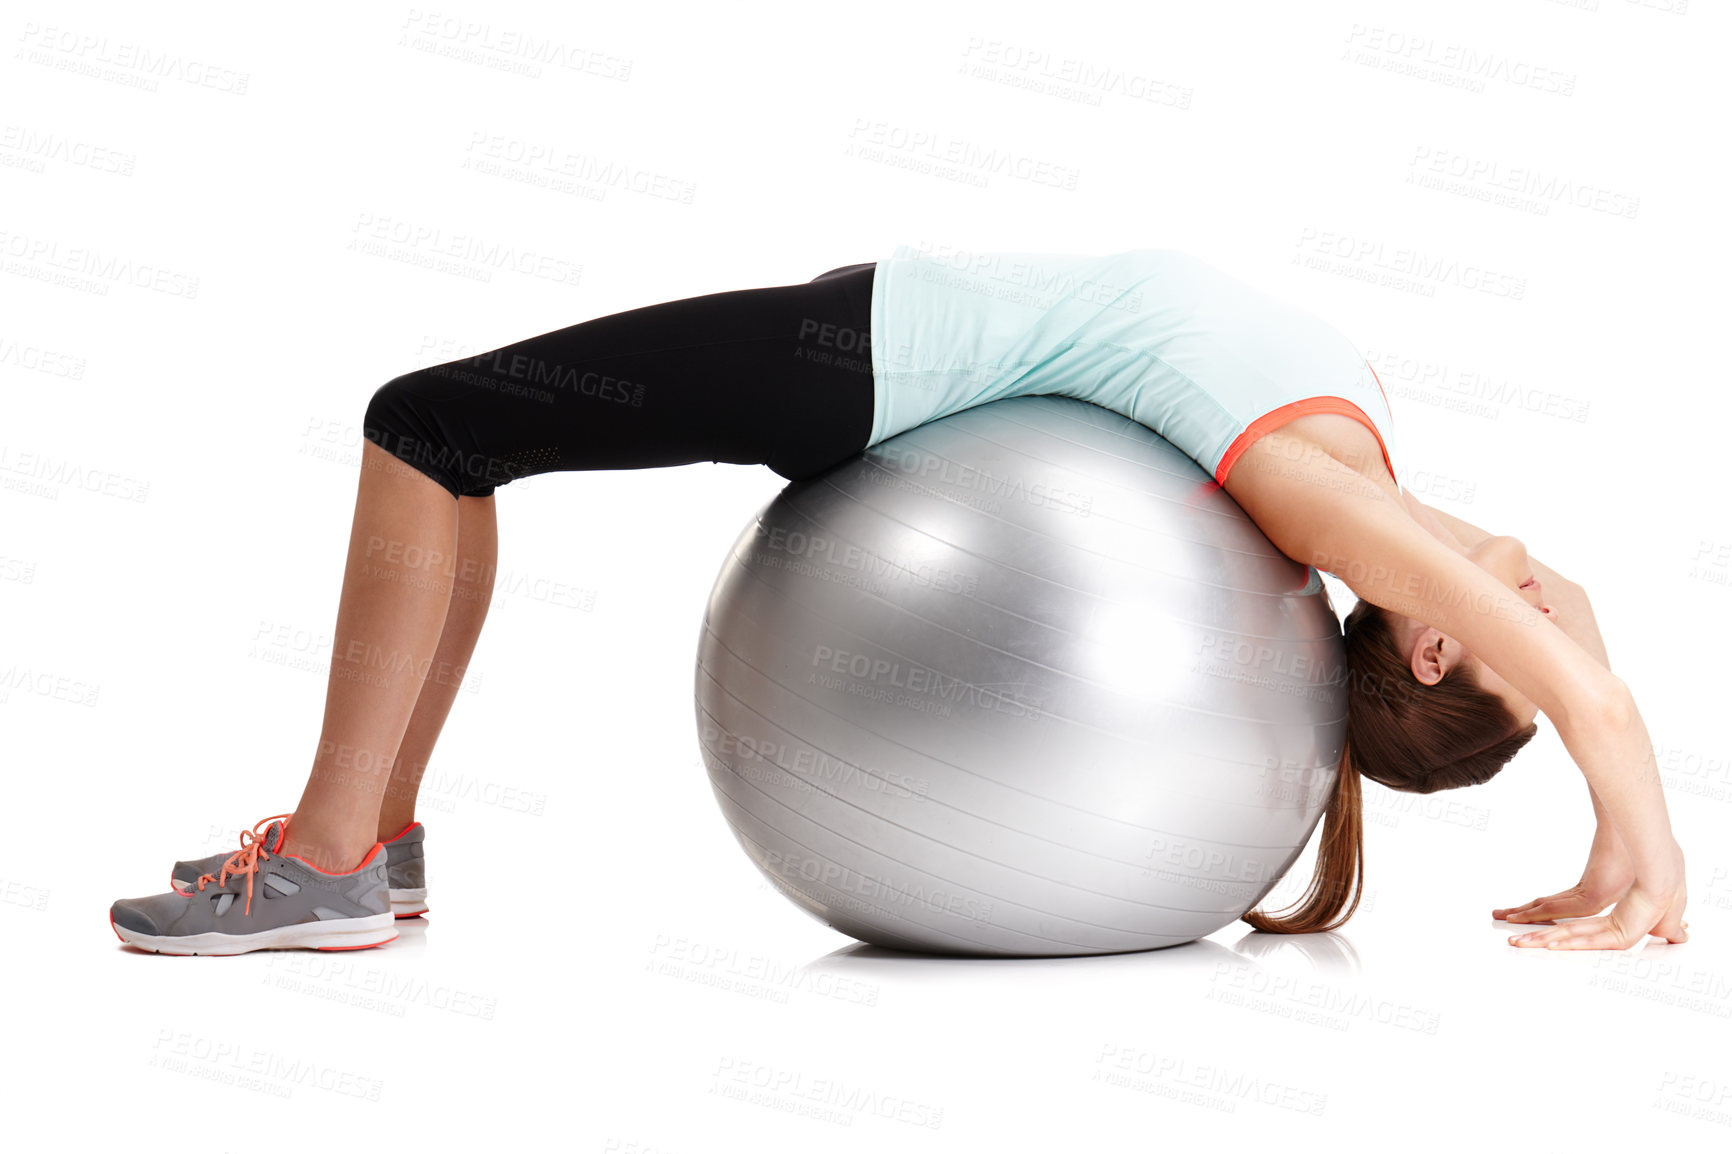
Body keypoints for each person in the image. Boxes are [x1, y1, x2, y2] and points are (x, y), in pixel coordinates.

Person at [108, 245, 1687, 955]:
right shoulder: (1402, 510)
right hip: (869, 346)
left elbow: (1592, 689)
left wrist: (1644, 834)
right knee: (456, 442)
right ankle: (369, 850)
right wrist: (1594, 776)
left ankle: (327, 856)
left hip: (861, 371)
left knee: (426, 422)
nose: (1555, 601)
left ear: (1425, 635)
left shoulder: (1326, 503)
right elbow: (1586, 625)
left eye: (1527, 644)